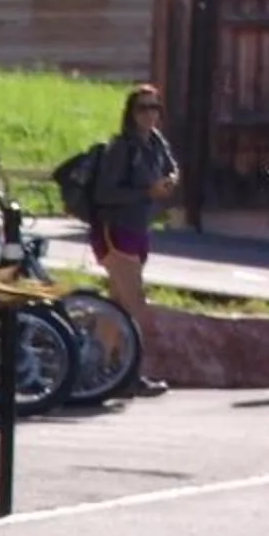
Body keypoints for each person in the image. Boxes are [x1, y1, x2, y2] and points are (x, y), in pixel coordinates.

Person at [91, 82, 178, 394]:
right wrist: (146, 191)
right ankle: (130, 375)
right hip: (115, 230)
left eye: (154, 107)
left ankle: (97, 370)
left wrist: (169, 181)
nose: (149, 114)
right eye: (143, 108)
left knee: (116, 306)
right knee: (136, 305)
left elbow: (171, 169)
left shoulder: (156, 143)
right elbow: (105, 193)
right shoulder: (121, 148)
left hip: (139, 229)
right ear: (130, 113)